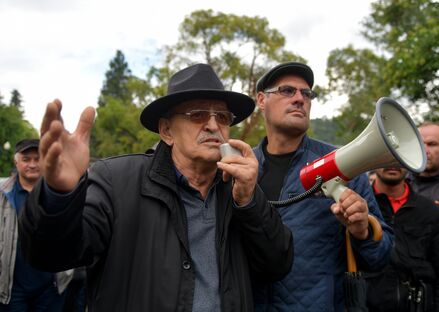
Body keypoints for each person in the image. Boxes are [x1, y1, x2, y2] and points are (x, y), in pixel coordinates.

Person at [17, 64, 294, 312]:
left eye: (222, 117)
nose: (213, 125)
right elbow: (52, 254)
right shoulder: (115, 180)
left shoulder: (238, 188)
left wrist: (249, 203)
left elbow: (277, 265)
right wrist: (59, 196)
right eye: (198, 114)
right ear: (167, 131)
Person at [252, 61, 393, 311]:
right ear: (261, 100)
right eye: (287, 90)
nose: (299, 99)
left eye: (307, 94)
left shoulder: (344, 164)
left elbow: (381, 257)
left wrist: (362, 231)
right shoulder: (244, 168)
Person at [368, 167, 439, 311]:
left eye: (398, 156)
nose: (393, 163)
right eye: (386, 155)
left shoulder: (430, 212)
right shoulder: (359, 207)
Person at [1, 139, 69, 311]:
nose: (32, 164)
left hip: (50, 288)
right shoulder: (3, 194)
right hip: (12, 288)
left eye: (37, 159)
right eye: (26, 159)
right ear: (16, 162)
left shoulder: (60, 193)